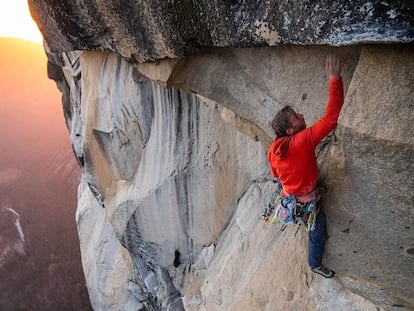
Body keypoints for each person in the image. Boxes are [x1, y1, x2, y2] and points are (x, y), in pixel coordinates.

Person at [267, 54, 343, 278]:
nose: (301, 115)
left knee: (296, 182)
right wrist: (334, 79)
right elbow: (331, 119)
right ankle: (315, 264)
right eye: (296, 118)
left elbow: (274, 173)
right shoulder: (302, 141)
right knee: (318, 233)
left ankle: (306, 192)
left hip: (289, 191)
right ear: (290, 130)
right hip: (304, 198)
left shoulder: (274, 148)